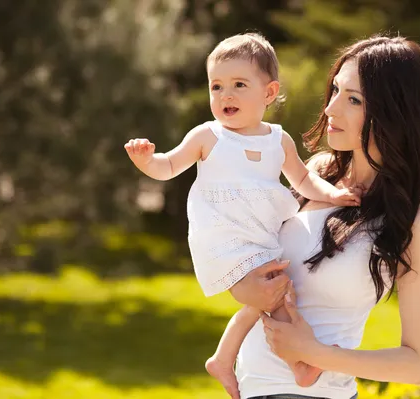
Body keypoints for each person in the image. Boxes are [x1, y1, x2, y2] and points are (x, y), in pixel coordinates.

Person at [124, 33, 362, 398]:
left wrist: (334, 194)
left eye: (238, 85)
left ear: (268, 93)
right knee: (275, 293)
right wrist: (147, 161)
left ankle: (225, 357)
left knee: (274, 295)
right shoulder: (209, 136)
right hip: (224, 235)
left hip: (261, 233)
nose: (226, 95)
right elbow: (169, 165)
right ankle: (300, 360)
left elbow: (303, 178)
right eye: (216, 86)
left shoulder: (277, 140)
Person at [230, 34, 420, 399]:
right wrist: (244, 287)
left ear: (394, 110)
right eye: (334, 90)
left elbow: (419, 363)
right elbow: (257, 256)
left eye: (353, 99)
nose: (331, 109)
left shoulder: (414, 218)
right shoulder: (316, 173)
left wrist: (315, 354)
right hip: (252, 387)